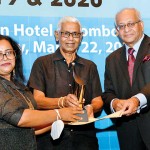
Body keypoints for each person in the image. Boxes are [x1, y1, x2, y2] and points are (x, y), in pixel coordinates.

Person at [28, 16, 103, 150]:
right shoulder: (42, 63)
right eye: (66, 33)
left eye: (75, 34)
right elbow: (37, 100)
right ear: (57, 35)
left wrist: (91, 107)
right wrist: (62, 102)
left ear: (81, 37)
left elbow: (98, 101)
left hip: (85, 139)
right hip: (50, 138)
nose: (70, 38)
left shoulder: (90, 66)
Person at [0, 34, 83, 150]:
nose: (5, 57)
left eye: (8, 52)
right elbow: (21, 118)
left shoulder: (20, 86)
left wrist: (65, 118)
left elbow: (32, 128)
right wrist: (60, 113)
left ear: (15, 55)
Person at [102, 8, 150, 150]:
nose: (126, 29)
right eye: (121, 26)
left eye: (131, 24)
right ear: (117, 30)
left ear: (141, 24)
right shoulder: (111, 59)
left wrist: (136, 100)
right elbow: (108, 92)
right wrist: (114, 103)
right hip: (128, 134)